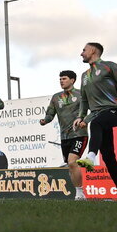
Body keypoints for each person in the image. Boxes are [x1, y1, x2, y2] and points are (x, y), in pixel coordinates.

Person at [73, 42, 117, 201]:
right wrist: (82, 117)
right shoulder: (84, 75)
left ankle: (91, 157)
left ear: (93, 50)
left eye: (84, 50)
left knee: (97, 124)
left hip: (114, 111)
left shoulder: (110, 66)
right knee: (108, 156)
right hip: (98, 116)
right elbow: (84, 101)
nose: (81, 53)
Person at [40, 71, 88, 200]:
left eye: (64, 79)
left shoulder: (81, 94)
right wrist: (45, 120)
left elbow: (91, 110)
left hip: (79, 134)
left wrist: (84, 121)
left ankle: (79, 193)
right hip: (64, 137)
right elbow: (50, 113)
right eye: (60, 79)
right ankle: (79, 193)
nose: (61, 81)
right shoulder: (56, 97)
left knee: (72, 162)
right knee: (70, 166)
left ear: (72, 80)